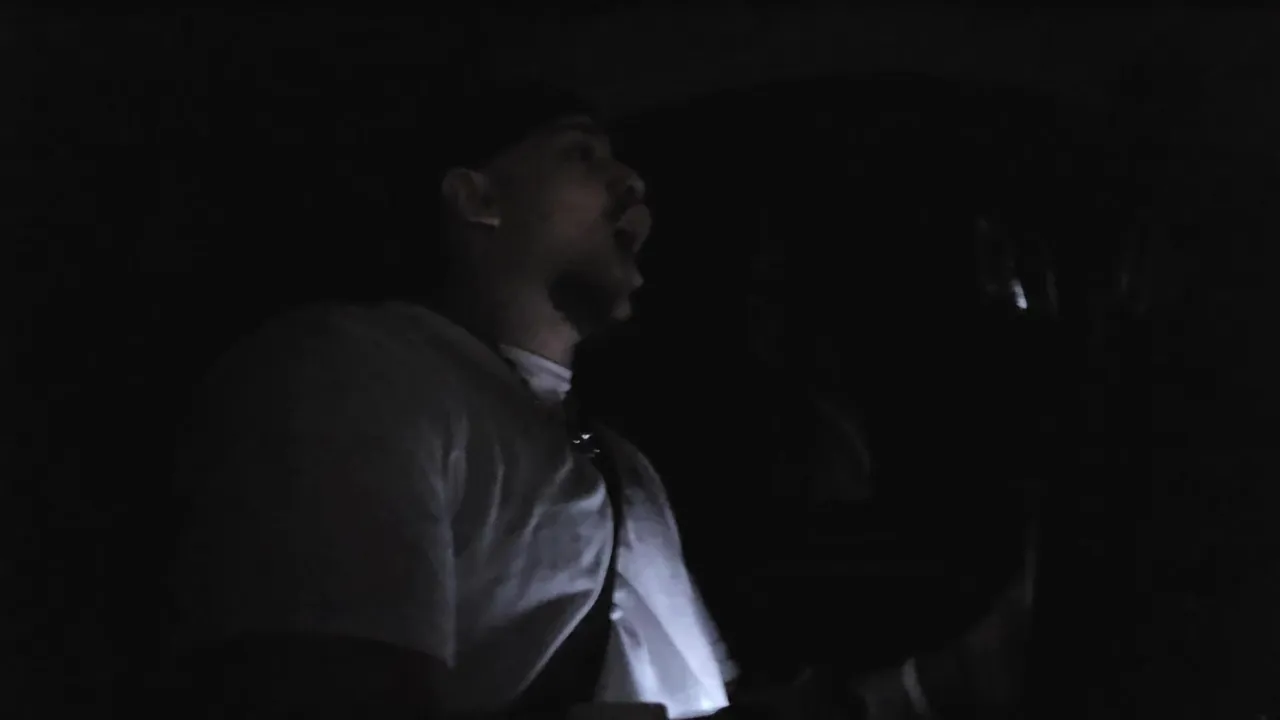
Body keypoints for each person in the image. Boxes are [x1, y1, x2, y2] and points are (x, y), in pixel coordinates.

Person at [168, 77, 1027, 720]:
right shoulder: (349, 371)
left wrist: (941, 680)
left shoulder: (623, 467)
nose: (633, 182)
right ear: (476, 197)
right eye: (581, 153)